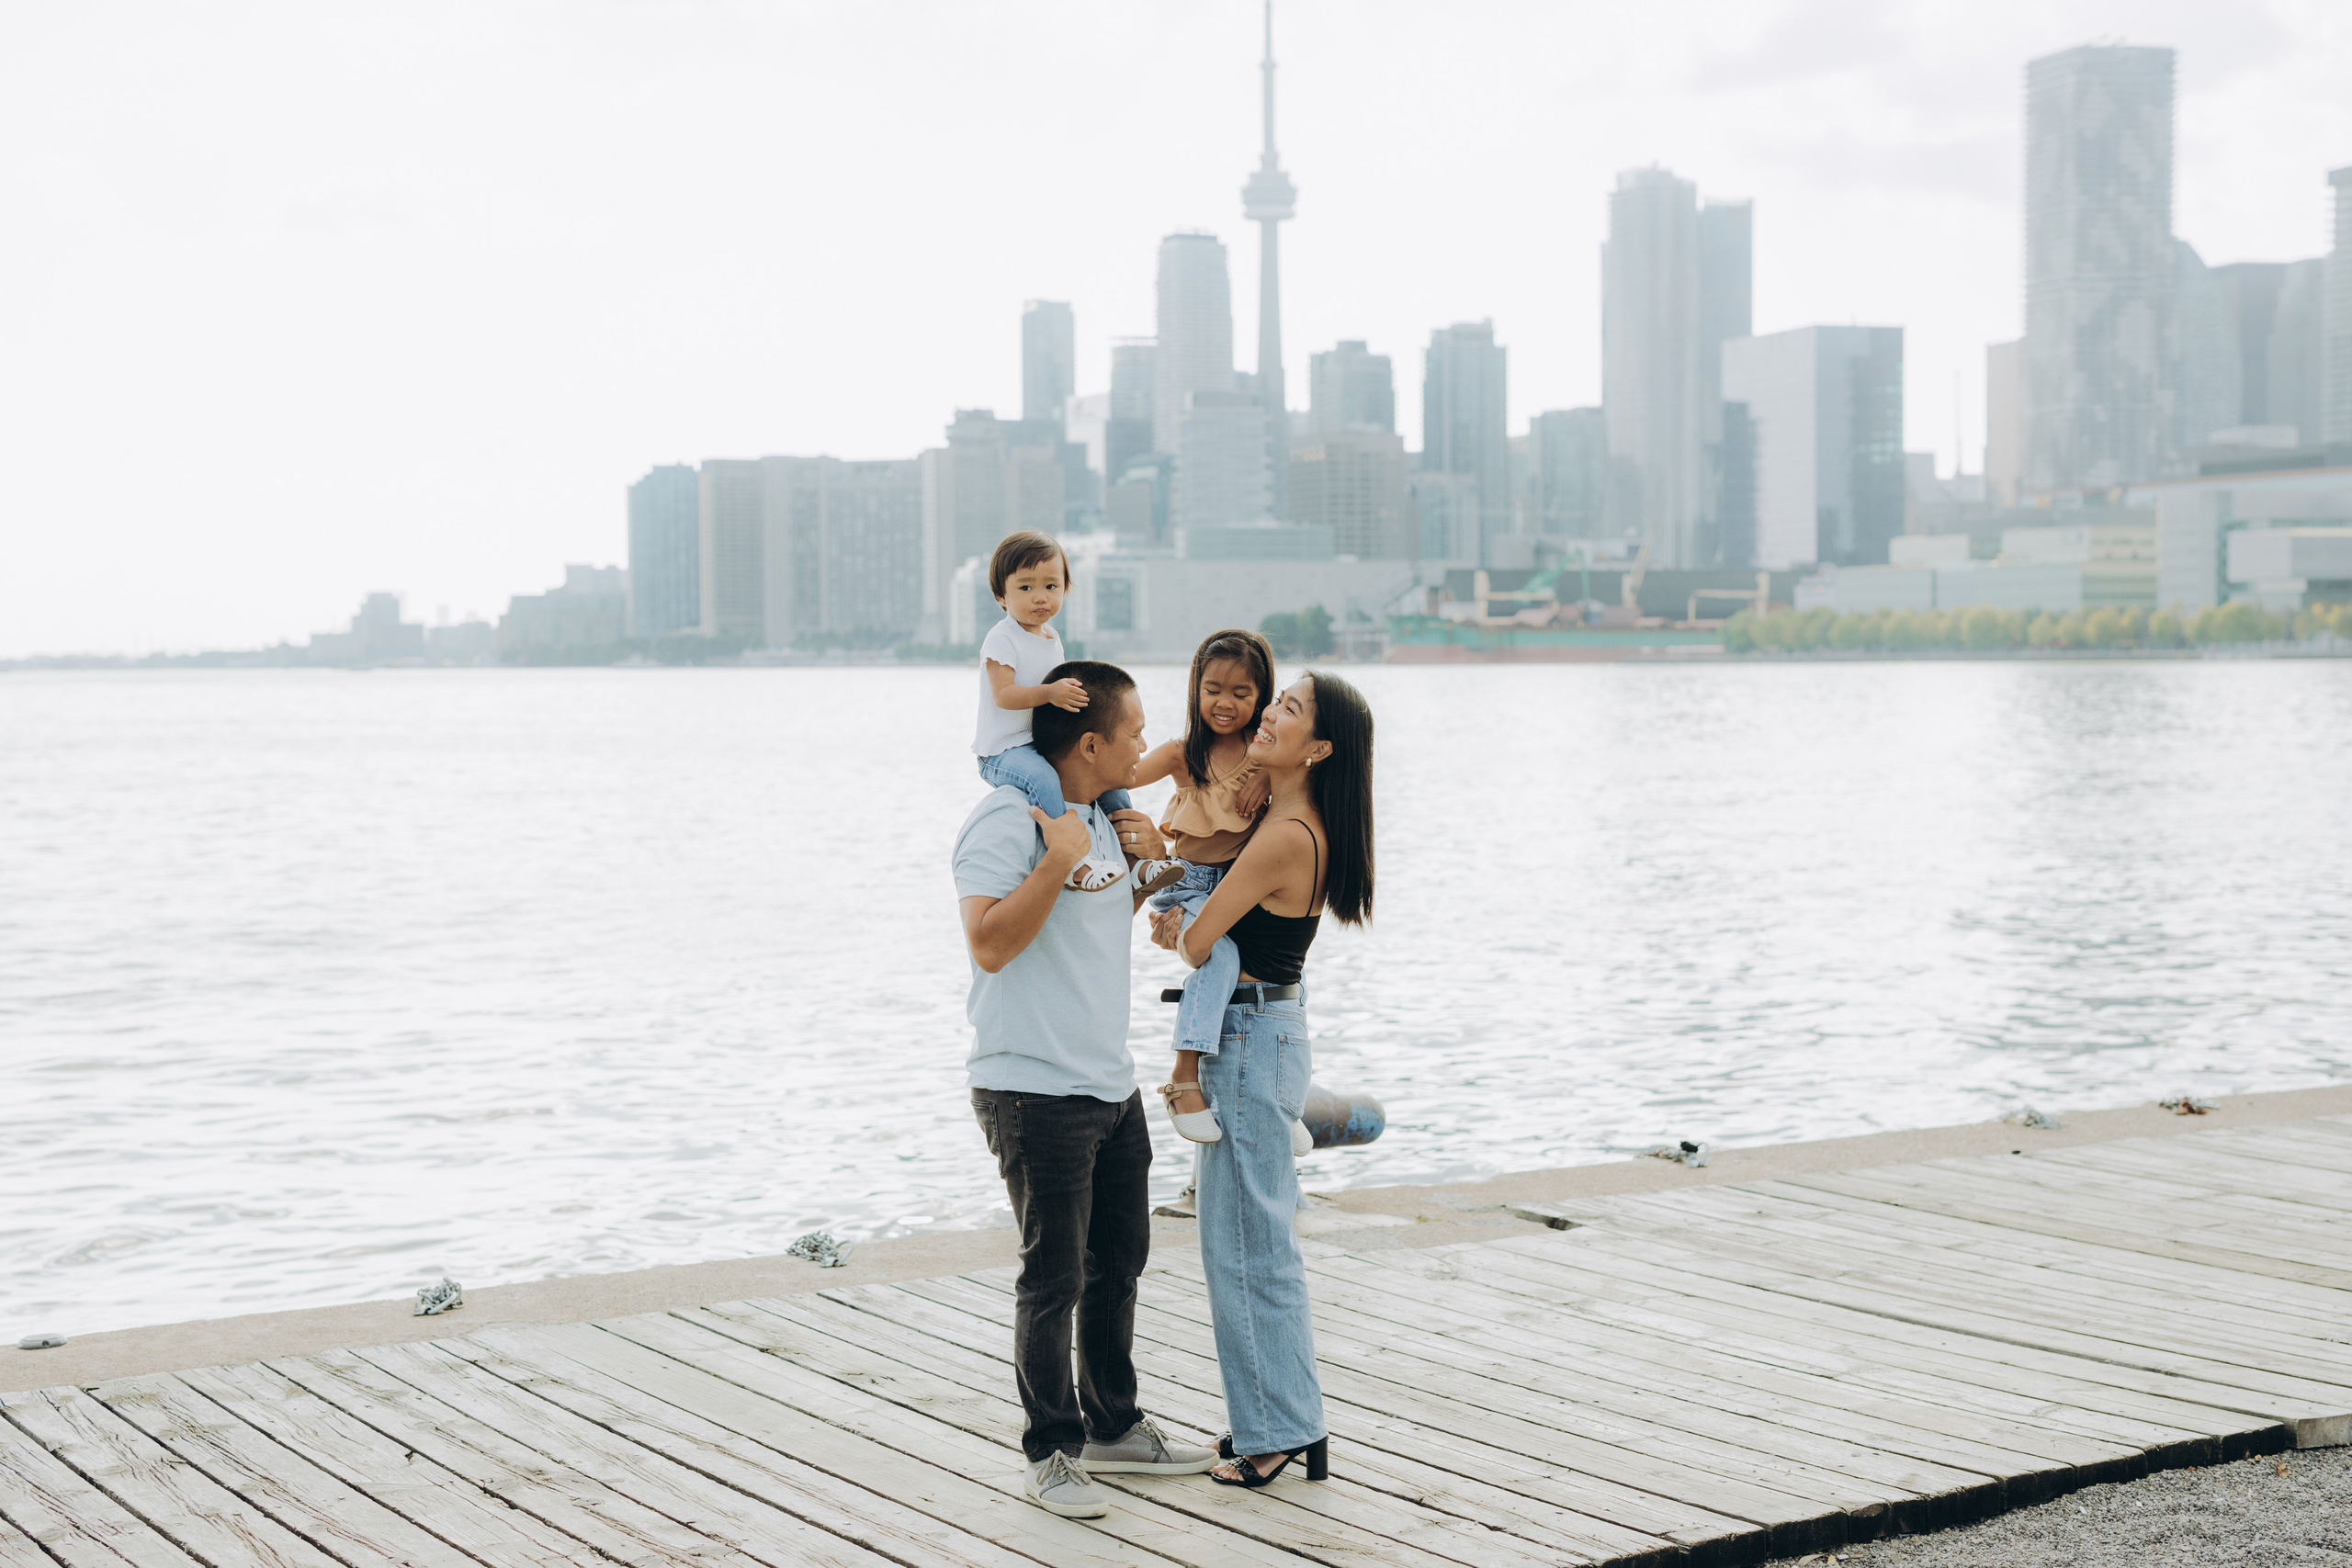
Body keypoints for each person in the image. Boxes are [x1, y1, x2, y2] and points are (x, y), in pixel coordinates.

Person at [954, 659, 1219, 1518]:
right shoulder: (1008, 820)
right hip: (1033, 1091)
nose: (1147, 745)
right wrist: (1053, 859)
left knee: (1120, 1265)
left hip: (1110, 1085)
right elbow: (990, 945)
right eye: (1136, 731)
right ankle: (1052, 1452)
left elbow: (1108, 928)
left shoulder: (1107, 821)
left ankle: (1111, 1425)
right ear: (1092, 740)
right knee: (1053, 1277)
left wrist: (1154, 871)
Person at [1150, 671, 1374, 1488]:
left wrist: (1180, 924)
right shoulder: (1284, 818)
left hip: (1247, 1041)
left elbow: (1201, 939)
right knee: (1250, 1240)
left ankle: (1276, 1430)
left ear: (1319, 748)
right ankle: (1278, 1417)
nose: (1269, 713)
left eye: (1289, 709)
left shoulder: (1286, 832)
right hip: (1259, 1031)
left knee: (1245, 1245)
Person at [1129, 629, 1306, 1156]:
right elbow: (1116, 775)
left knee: (1286, 965)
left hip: (1241, 889)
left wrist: (1268, 776)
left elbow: (1315, 776)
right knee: (1221, 957)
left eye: (1242, 693)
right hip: (1189, 884)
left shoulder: (1269, 755)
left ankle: (1284, 1099)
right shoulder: (1184, 754)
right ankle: (1184, 1078)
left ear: (1263, 698)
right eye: (1213, 689)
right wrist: (1135, 837)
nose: (1225, 704)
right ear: (1195, 690)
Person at [969, 530, 1181, 895]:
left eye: (1051, 586)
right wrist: (1051, 692)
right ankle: (1071, 860)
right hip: (1003, 751)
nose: (1040, 597)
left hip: (1040, 743)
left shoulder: (1051, 637)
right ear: (1000, 595)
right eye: (1025, 588)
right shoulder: (1001, 638)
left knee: (1112, 787)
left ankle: (1136, 862)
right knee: (1044, 781)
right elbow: (1003, 695)